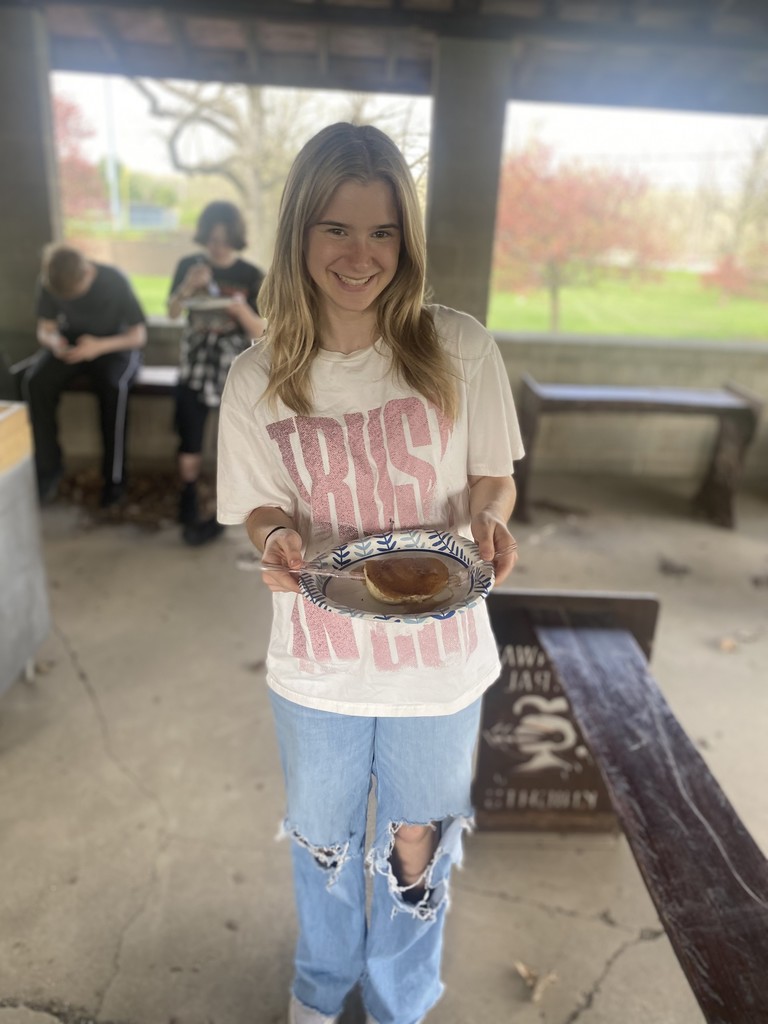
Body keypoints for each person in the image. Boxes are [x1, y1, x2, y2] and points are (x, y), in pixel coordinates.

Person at [216, 124, 523, 1024]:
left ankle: (399, 1000)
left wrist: (491, 522)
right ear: (299, 234)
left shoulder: (458, 346)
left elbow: (491, 481)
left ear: (407, 240)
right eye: (336, 230)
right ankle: (318, 991)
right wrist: (274, 540)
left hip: (441, 662)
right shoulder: (257, 376)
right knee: (323, 844)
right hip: (317, 663)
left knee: (416, 844)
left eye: (382, 232)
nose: (360, 256)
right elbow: (261, 507)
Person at [167, 201, 265, 546]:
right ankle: (189, 501)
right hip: (194, 364)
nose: (216, 246)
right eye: (210, 239)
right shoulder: (188, 266)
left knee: (231, 440)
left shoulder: (251, 275)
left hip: (233, 368)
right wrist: (188, 287)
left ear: (234, 238)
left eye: (223, 239)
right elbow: (172, 312)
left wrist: (238, 309)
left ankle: (227, 508)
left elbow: (263, 330)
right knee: (189, 434)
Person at [23, 243, 147, 506]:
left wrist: (99, 346)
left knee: (114, 387)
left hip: (115, 345)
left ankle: (114, 480)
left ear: (87, 274)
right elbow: (45, 328)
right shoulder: (49, 280)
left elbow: (138, 336)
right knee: (35, 382)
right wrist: (54, 342)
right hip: (72, 345)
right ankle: (48, 469)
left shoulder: (114, 280)